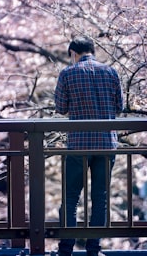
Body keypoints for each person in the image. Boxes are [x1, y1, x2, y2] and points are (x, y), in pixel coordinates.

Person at [55, 35, 123, 256]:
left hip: (78, 144)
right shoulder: (111, 72)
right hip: (106, 143)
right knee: (100, 197)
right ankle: (94, 249)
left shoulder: (67, 73)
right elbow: (119, 106)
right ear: (92, 51)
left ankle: (66, 249)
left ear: (73, 53)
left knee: (71, 197)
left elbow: (61, 108)